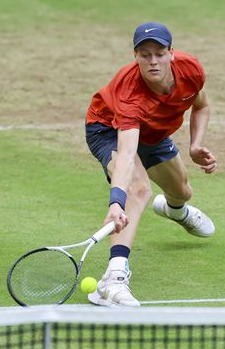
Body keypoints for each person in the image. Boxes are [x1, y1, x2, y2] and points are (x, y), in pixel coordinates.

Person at [85, 21, 217, 307]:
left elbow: (202, 106)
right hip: (107, 129)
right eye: (145, 55)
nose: (153, 60)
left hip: (155, 132)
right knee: (139, 188)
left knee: (183, 192)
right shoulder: (129, 93)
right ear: (136, 56)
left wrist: (195, 145)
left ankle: (174, 210)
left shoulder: (190, 69)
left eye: (159, 53)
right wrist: (116, 202)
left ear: (171, 52)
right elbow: (127, 153)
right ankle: (113, 279)